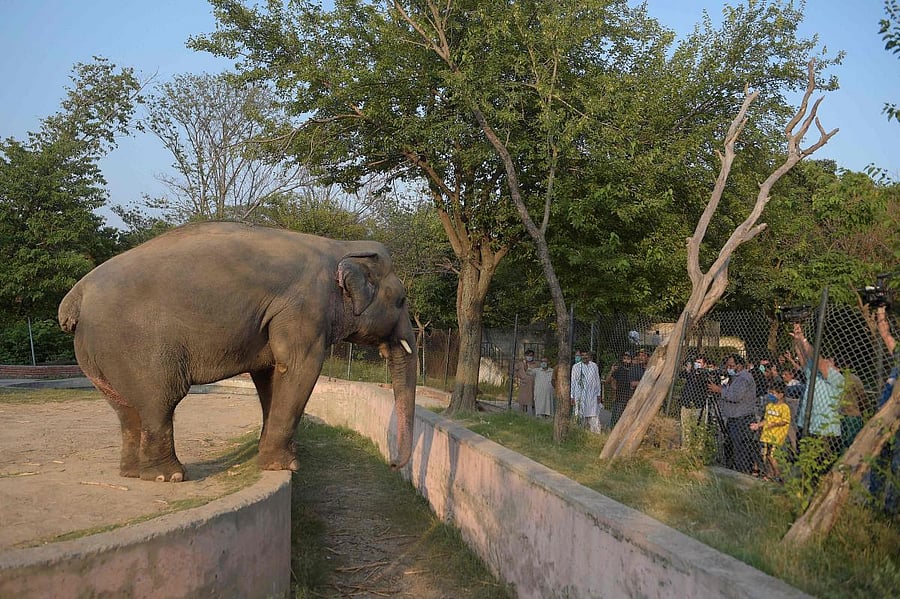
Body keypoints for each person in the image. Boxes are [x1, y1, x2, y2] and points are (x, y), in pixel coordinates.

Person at [789, 323, 843, 456]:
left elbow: (818, 360)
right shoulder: (814, 374)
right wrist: (797, 340)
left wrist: (803, 339)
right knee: (804, 465)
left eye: (829, 361)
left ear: (837, 367)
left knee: (821, 469)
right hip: (806, 426)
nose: (826, 362)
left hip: (824, 432)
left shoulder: (838, 378)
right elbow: (803, 358)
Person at [708, 354, 758, 474]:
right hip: (734, 418)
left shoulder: (743, 378)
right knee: (731, 446)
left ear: (739, 366)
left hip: (742, 419)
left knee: (740, 449)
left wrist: (719, 390)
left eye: (731, 365)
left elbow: (736, 396)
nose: (729, 367)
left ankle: (743, 473)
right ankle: (732, 470)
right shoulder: (736, 377)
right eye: (728, 365)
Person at [750, 378, 791, 481]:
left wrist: (774, 424)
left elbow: (785, 421)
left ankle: (778, 475)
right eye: (770, 393)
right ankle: (770, 474)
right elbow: (766, 420)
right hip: (767, 435)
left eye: (773, 393)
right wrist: (758, 425)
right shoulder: (769, 406)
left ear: (781, 394)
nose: (771, 395)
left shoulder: (784, 407)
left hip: (777, 436)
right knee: (767, 455)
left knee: (771, 456)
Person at [678, 354, 712, 450]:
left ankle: (698, 449)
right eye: (696, 362)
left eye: (699, 362)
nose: (697, 364)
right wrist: (688, 369)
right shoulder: (690, 373)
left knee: (700, 427)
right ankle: (686, 448)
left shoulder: (706, 374)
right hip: (687, 403)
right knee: (685, 427)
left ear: (704, 365)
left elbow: (707, 383)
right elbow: (681, 375)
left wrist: (700, 373)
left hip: (699, 405)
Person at [571, 350, 602, 433]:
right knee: (580, 414)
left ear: (589, 356)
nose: (584, 357)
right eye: (582, 355)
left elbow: (597, 380)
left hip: (592, 395)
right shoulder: (576, 367)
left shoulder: (594, 366)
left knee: (593, 414)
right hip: (579, 395)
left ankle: (595, 434)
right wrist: (572, 396)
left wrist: (599, 394)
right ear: (581, 356)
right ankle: (579, 432)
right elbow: (573, 382)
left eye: (586, 355)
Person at [605, 351, 637, 428]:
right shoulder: (619, 369)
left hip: (631, 399)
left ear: (632, 360)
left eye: (628, 359)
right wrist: (612, 371)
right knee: (616, 419)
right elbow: (608, 381)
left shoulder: (634, 371)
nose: (626, 361)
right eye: (624, 359)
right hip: (620, 399)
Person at [514, 349, 536, 415]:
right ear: (525, 356)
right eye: (528, 355)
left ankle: (530, 415)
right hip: (523, 385)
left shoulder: (535, 364)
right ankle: (521, 415)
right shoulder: (520, 364)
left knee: (530, 400)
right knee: (522, 400)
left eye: (531, 355)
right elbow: (514, 370)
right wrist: (519, 376)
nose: (529, 357)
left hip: (532, 385)